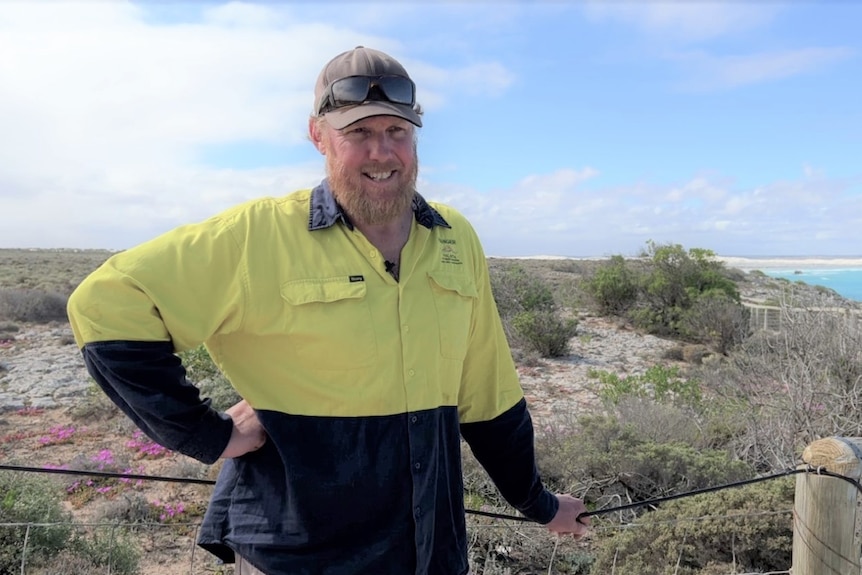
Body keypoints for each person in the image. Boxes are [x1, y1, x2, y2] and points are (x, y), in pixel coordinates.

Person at [66, 46, 589, 575]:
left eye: (397, 132)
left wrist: (538, 504)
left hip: (429, 552)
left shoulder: (454, 239)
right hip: (296, 557)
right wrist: (210, 433)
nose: (382, 153)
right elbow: (107, 303)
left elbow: (488, 395)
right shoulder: (259, 235)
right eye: (358, 133)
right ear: (319, 135)